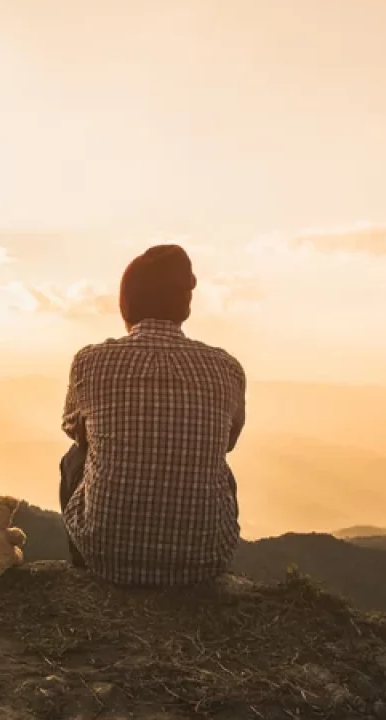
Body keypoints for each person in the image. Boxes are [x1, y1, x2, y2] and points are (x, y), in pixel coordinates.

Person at [58, 244, 245, 586]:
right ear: (184, 305)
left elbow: (74, 429)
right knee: (220, 468)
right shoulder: (226, 368)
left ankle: (81, 567)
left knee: (74, 458)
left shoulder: (90, 362)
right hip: (202, 562)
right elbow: (229, 442)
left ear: (126, 303)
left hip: (104, 556)